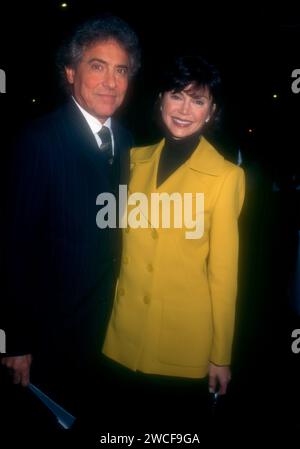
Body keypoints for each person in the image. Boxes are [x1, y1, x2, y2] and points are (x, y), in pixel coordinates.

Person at [1, 14, 140, 431]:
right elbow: (12, 247)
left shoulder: (130, 143)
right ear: (70, 72)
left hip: (109, 336)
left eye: (121, 70)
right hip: (50, 339)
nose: (110, 82)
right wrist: (15, 341)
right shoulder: (39, 141)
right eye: (98, 66)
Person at [102, 55, 245, 434]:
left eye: (198, 101)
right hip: (121, 337)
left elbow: (224, 275)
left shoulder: (226, 177)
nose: (184, 109)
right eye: (177, 96)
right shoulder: (133, 160)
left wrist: (221, 356)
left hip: (182, 346)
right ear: (161, 100)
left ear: (212, 111)